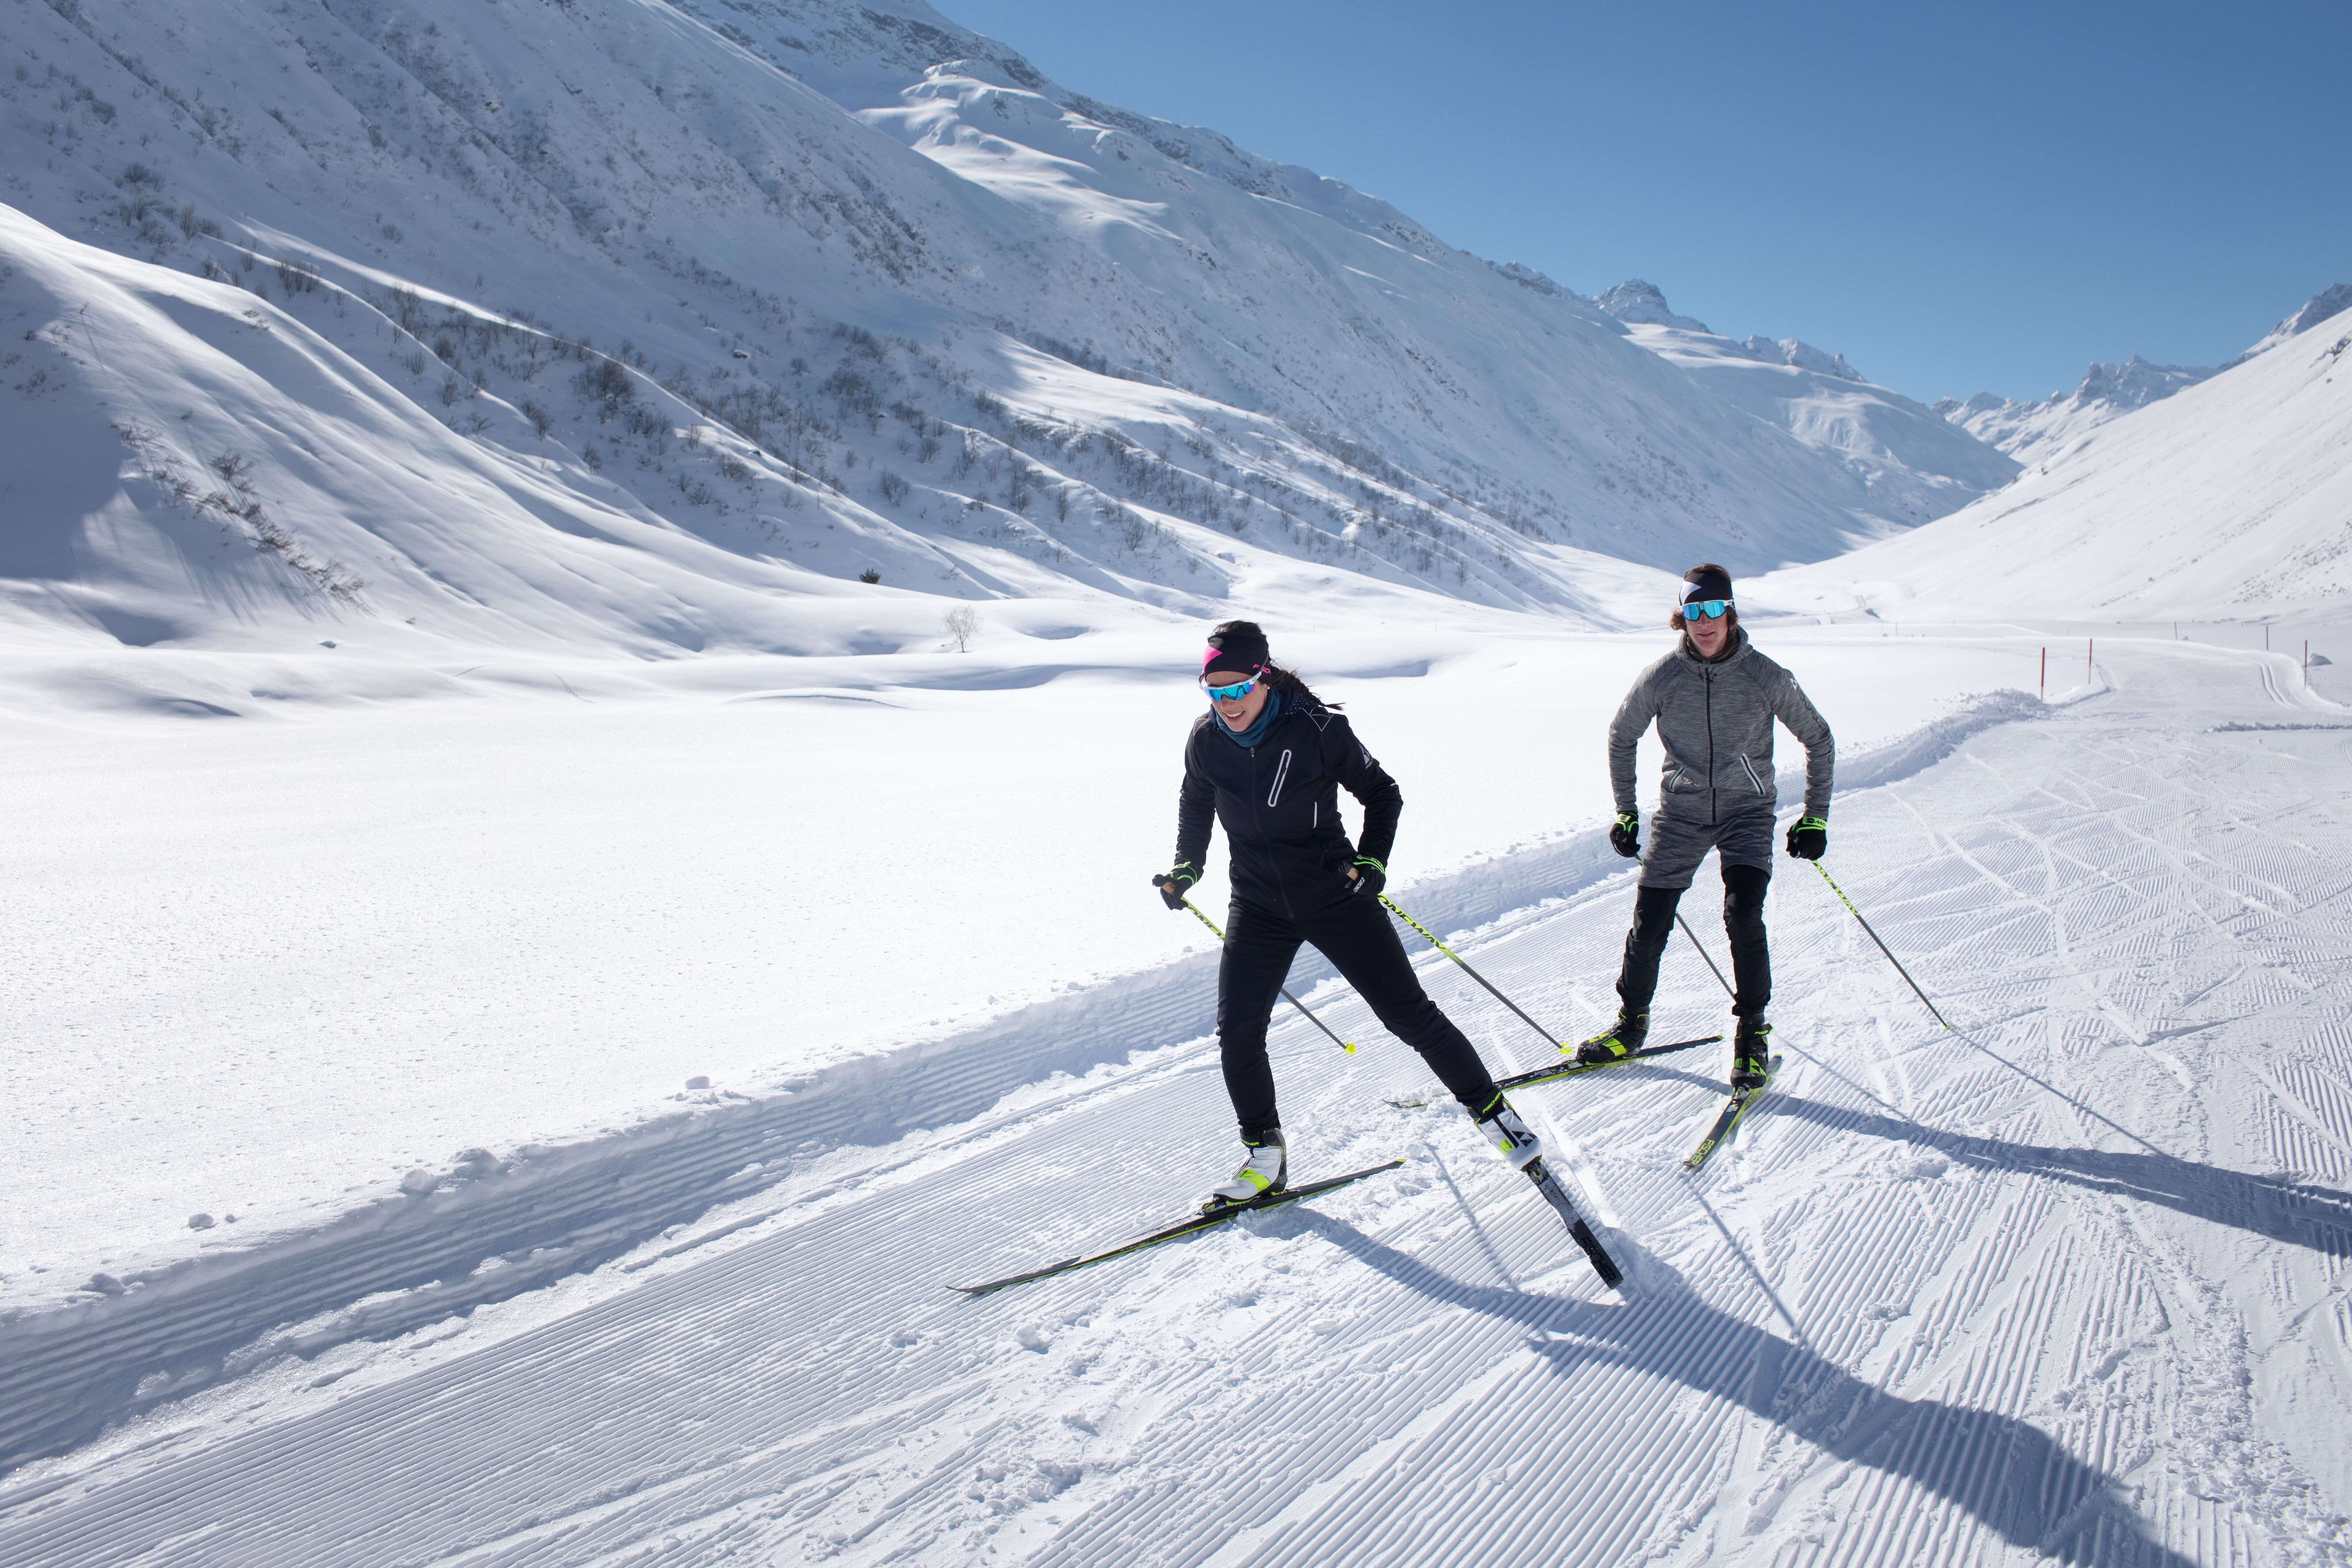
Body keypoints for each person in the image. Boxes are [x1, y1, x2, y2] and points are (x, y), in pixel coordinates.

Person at [1154, 620, 1547, 1212]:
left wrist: (1373, 862)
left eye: (1238, 689)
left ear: (1263, 677)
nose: (1227, 703)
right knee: (1237, 1032)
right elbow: (1195, 799)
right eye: (1215, 691)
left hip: (1335, 895)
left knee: (1409, 1016)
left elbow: (1382, 791)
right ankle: (1265, 1155)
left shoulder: (1318, 729)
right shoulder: (1205, 738)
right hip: (1257, 903)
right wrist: (1186, 868)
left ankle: (1492, 1111)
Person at [1576, 564, 1834, 1089]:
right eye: (1693, 612)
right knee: (1649, 924)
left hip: (1747, 812)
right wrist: (1625, 810)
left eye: (1713, 609)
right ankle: (1630, 1027)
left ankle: (1752, 1036)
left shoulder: (1764, 675)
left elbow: (1819, 738)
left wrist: (1814, 817)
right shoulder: (1662, 678)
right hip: (1681, 813)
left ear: (1730, 612)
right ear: (1682, 618)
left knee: (1742, 917)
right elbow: (1621, 735)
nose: (1703, 622)